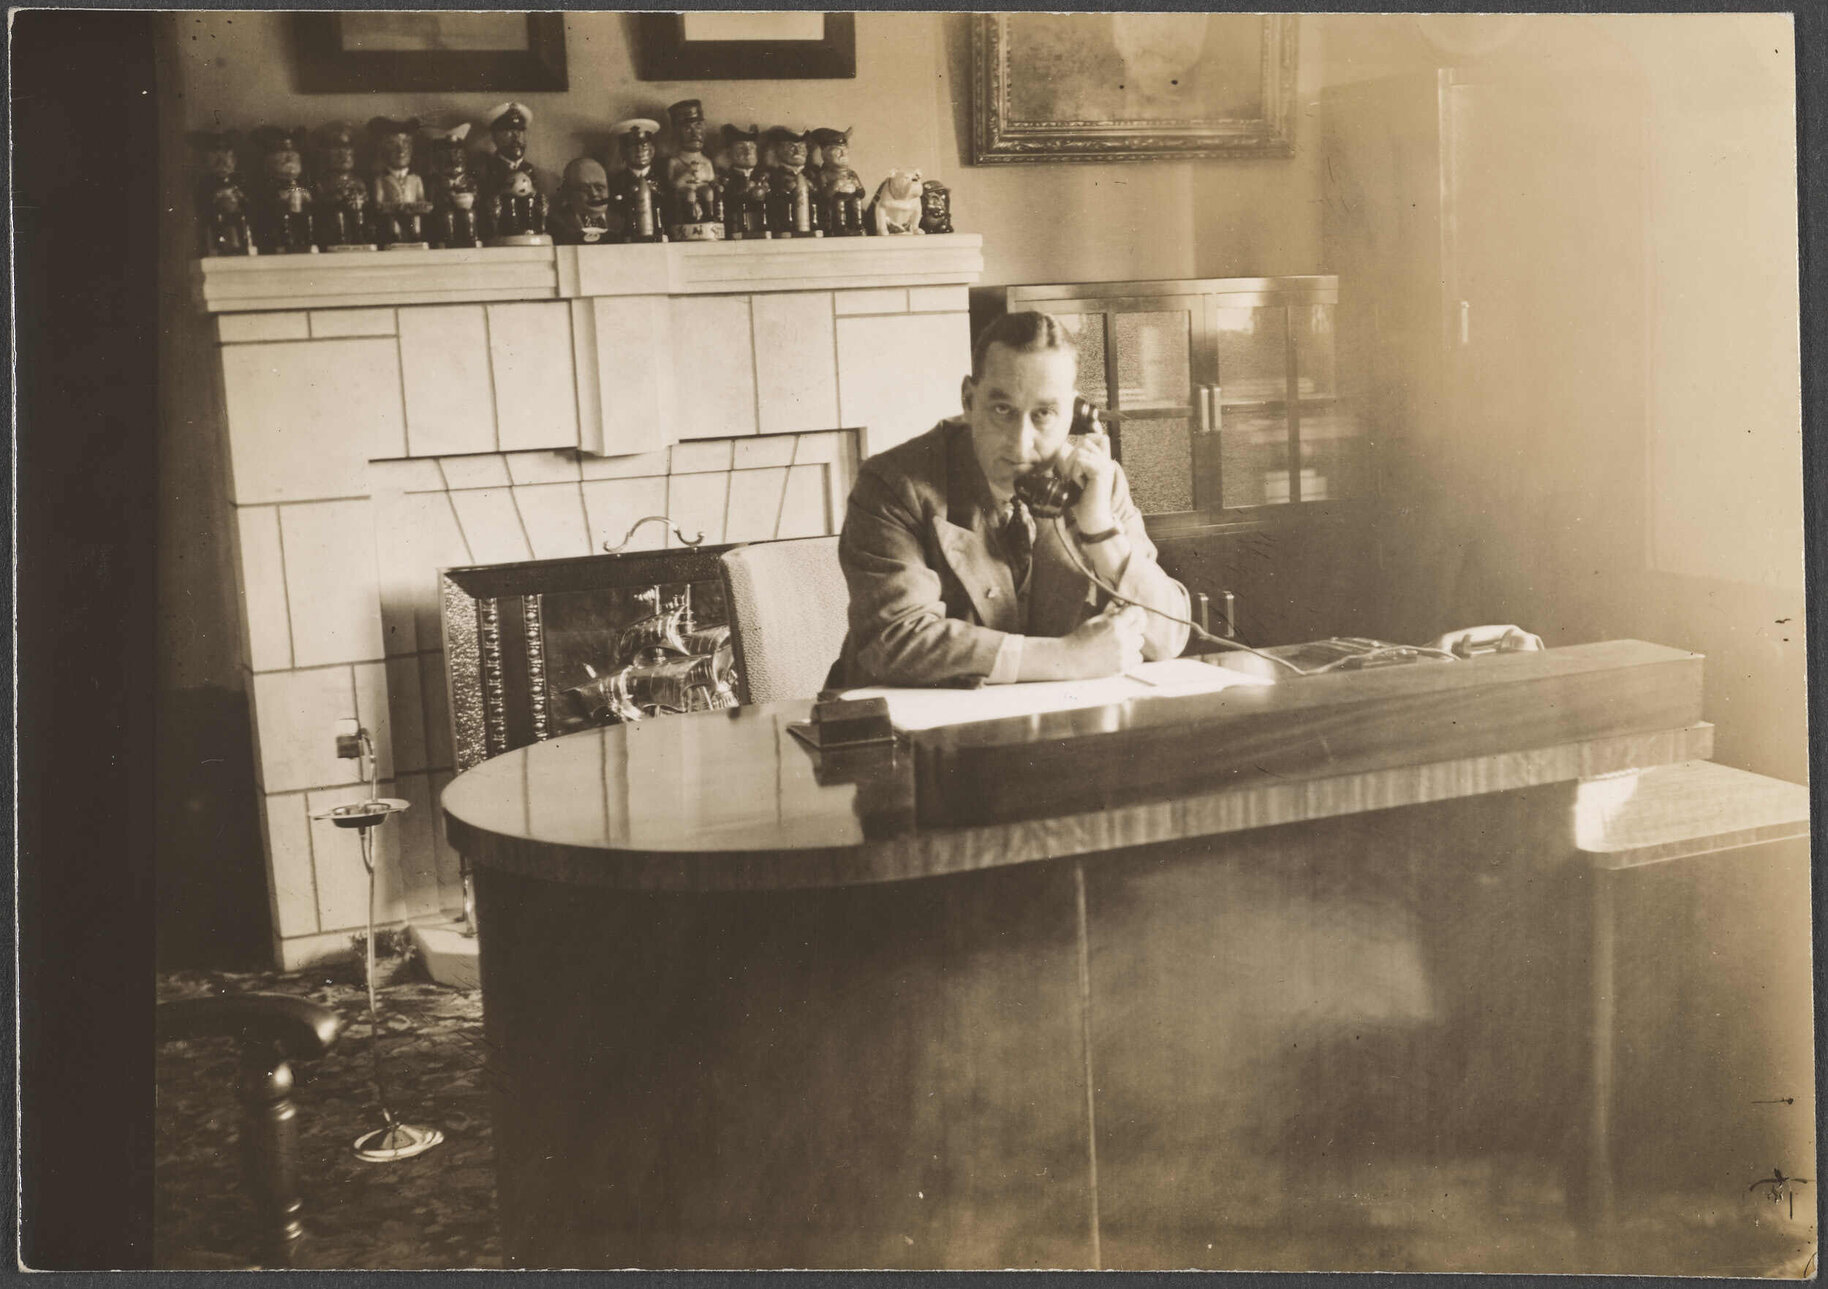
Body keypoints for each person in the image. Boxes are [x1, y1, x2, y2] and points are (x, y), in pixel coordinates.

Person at [828, 311, 1190, 689]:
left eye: (1044, 414)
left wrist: (1100, 530)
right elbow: (895, 639)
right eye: (1003, 411)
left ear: (1075, 413)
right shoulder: (893, 484)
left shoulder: (1099, 484)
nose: (1020, 443)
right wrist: (1065, 658)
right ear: (969, 400)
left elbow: (1168, 637)